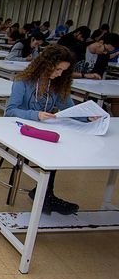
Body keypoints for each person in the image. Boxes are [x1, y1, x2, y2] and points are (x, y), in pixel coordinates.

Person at [5, 44, 85, 215]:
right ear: (46, 65)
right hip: (22, 129)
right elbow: (10, 111)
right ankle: (46, 195)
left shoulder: (58, 84)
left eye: (63, 71)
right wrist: (36, 115)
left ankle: (45, 194)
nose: (59, 74)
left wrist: (88, 116)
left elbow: (69, 109)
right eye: (57, 69)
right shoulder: (23, 82)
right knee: (53, 149)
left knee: (59, 146)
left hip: (44, 130)